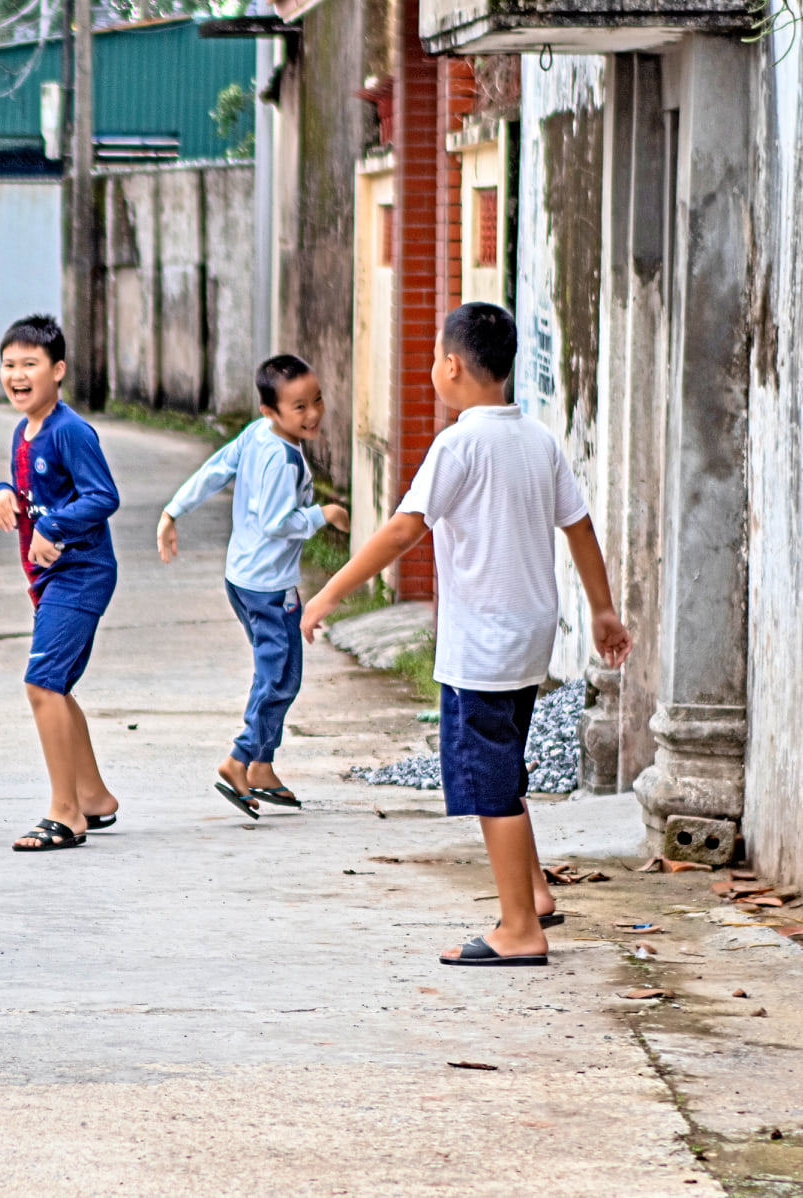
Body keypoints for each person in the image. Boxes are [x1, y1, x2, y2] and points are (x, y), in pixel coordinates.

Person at [300, 302, 631, 967]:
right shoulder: (537, 439)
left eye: (433, 359)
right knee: (503, 765)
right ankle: (533, 894)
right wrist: (602, 610)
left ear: (451, 366)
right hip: (528, 634)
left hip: (481, 643)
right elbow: (578, 526)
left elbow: (404, 528)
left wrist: (331, 592)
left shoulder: (458, 443)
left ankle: (519, 931)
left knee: (488, 782)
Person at [157, 354, 348, 819]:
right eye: (299, 407)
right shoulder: (282, 458)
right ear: (270, 410)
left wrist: (173, 510)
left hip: (244, 578)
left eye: (317, 400)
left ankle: (262, 765)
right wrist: (323, 514)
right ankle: (240, 759)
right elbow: (276, 522)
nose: (313, 413)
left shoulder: (258, 433)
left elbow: (216, 468)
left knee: (281, 672)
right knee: (279, 677)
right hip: (268, 588)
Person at [0, 315, 122, 851]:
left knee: (41, 684)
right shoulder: (24, 431)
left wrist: (54, 527)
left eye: (30, 364)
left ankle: (66, 814)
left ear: (58, 370)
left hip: (81, 573)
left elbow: (103, 496)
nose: (17, 375)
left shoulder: (70, 431)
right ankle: (94, 797)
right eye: (9, 365)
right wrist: (1, 491)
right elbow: (28, 491)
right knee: (56, 685)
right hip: (49, 577)